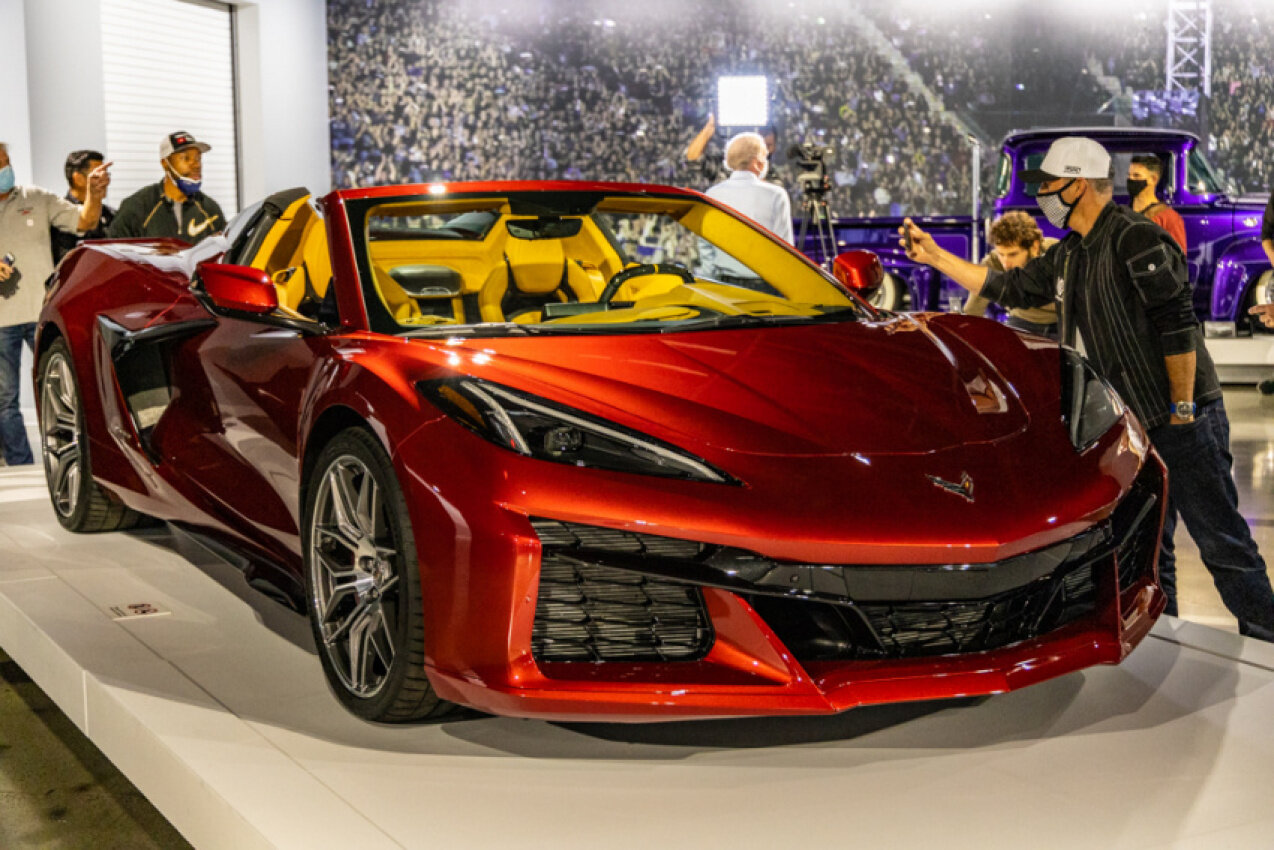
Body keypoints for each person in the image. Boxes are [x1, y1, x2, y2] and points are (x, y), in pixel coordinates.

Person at [901, 135, 1274, 643]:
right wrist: (936, 257)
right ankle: (1162, 643)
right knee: (1152, 549)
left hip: (1180, 418)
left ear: (1077, 185)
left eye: (1049, 184)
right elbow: (1007, 287)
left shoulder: (1134, 237)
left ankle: (1265, 642)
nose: (1042, 195)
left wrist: (1184, 410)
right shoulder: (1071, 253)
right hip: (1137, 425)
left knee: (1223, 543)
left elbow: (1178, 324)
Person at [0, 141, 109, 466]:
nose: (6, 169)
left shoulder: (37, 198)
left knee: (66, 391)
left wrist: (94, 195)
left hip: (42, 314)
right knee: (5, 401)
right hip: (1, 321)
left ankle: (76, 460)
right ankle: (21, 466)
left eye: (6, 161)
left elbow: (84, 222)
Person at [109, 132, 225, 244]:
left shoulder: (210, 209)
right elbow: (114, 252)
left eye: (198, 158)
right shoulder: (137, 207)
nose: (196, 165)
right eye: (185, 158)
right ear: (165, 163)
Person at [962, 211, 1058, 338]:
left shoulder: (1056, 253)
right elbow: (973, 308)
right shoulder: (992, 262)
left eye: (1013, 254)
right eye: (1001, 254)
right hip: (1021, 321)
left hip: (1061, 323)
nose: (1006, 263)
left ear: (1034, 247)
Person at [51, 149, 116, 265]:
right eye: (97, 175)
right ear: (78, 178)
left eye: (106, 175)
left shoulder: (111, 214)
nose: (105, 181)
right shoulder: (58, 217)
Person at [1127, 154, 1186, 252]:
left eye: (1136, 175)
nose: (1131, 179)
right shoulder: (1122, 213)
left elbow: (1178, 257)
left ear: (1153, 179)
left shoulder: (1169, 219)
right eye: (1129, 175)